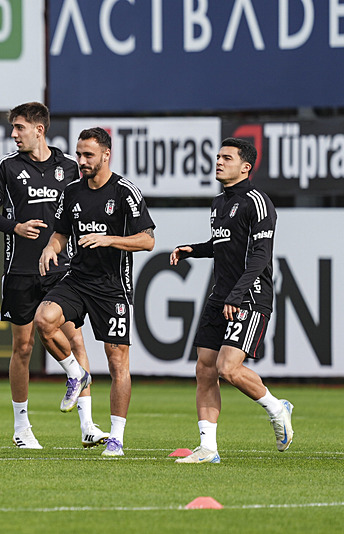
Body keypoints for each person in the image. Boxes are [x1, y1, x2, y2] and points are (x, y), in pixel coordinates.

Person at [0, 102, 107, 449]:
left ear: (39, 129)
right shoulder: (7, 167)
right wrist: (15, 226)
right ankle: (21, 428)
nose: (13, 134)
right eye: (13, 127)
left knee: (76, 340)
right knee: (23, 347)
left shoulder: (69, 167)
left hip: (62, 270)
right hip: (19, 270)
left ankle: (88, 425)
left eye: (19, 127)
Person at [170, 138, 293, 464]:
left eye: (227, 158)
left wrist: (237, 295)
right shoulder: (218, 203)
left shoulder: (258, 202)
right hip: (220, 296)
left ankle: (277, 408)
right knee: (205, 369)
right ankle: (208, 448)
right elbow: (222, 244)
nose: (219, 162)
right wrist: (193, 250)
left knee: (228, 368)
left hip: (249, 296)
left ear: (245, 167)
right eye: (218, 156)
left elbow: (261, 256)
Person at [35, 127, 155, 457]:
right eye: (79, 154)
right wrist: (50, 248)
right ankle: (77, 374)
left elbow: (148, 240)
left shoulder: (125, 191)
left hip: (112, 287)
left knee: (117, 363)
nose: (82, 160)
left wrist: (109, 239)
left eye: (88, 155)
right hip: (78, 279)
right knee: (44, 320)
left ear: (106, 155)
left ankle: (116, 438)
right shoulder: (72, 192)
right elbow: (60, 234)